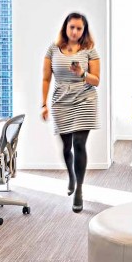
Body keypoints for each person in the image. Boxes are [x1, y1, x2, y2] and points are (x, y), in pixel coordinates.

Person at [42, 12, 101, 213]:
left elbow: (96, 81)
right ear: (65, 28)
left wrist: (82, 73)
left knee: (79, 144)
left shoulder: (89, 50)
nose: (75, 31)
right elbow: (46, 79)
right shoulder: (53, 49)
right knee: (67, 146)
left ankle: (79, 191)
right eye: (72, 27)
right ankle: (72, 177)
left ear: (83, 31)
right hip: (61, 102)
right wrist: (43, 104)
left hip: (85, 100)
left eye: (79, 28)